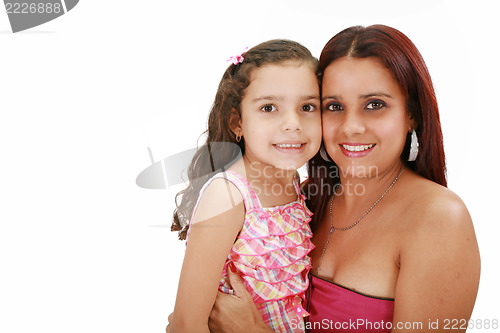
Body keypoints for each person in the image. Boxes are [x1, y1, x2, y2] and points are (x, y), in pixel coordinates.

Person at [205, 25, 480, 333]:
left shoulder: (439, 219)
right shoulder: (298, 204)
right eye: (334, 106)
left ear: (411, 114)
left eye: (374, 104)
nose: (351, 127)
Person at [168, 39, 323, 332]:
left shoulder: (294, 184)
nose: (293, 123)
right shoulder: (228, 195)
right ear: (237, 122)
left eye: (307, 106)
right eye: (268, 107)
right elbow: (186, 324)